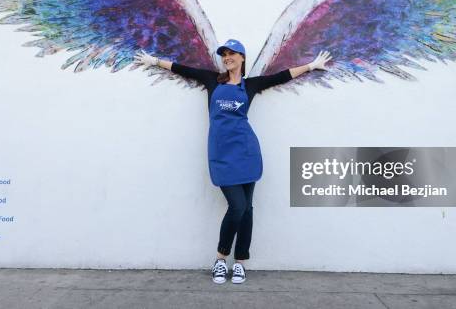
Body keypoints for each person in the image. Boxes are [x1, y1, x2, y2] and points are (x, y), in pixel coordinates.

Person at [133, 39, 331, 284]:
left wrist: (311, 66)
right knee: (237, 206)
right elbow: (181, 68)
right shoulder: (211, 80)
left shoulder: (250, 86)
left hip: (247, 152)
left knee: (247, 210)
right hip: (221, 154)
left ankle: (240, 263)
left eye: (232, 54)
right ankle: (220, 258)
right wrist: (154, 61)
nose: (227, 58)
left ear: (242, 58)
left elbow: (282, 76)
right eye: (224, 54)